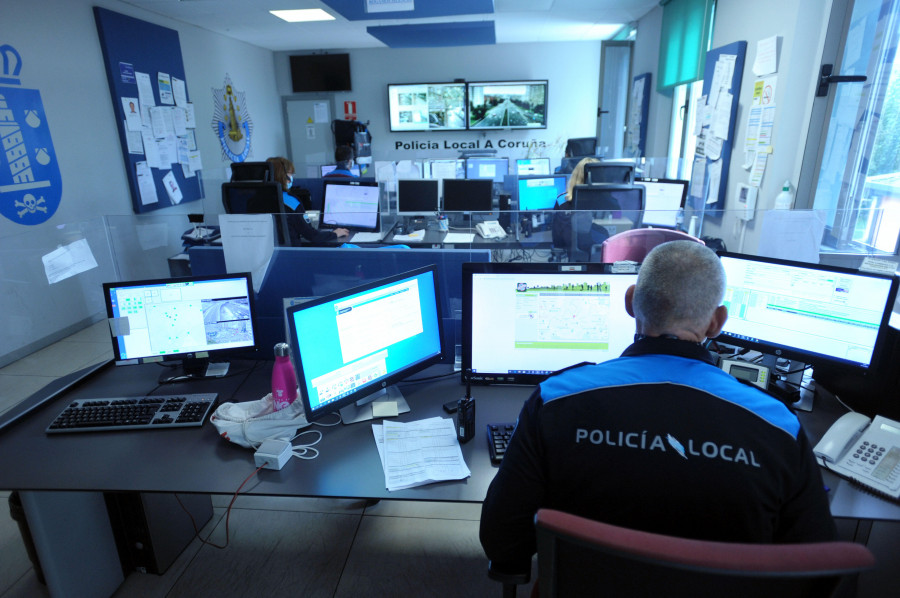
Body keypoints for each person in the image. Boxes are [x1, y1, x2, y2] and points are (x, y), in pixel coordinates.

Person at [480, 241, 836, 571]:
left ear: (631, 300)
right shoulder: (778, 425)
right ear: (717, 322)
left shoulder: (554, 400)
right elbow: (815, 568)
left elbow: (502, 542)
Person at [267, 157, 349, 244]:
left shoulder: (255, 200)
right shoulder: (291, 202)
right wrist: (334, 234)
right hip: (290, 253)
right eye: (291, 174)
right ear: (284, 177)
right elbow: (312, 235)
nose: (292, 178)